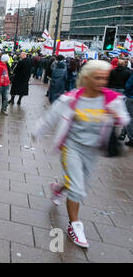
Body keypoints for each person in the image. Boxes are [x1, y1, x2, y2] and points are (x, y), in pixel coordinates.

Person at [32, 60, 130, 249]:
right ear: (86, 78)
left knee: (79, 184)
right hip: (71, 148)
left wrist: (114, 115)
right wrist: (37, 132)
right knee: (77, 189)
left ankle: (59, 189)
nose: (102, 81)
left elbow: (124, 119)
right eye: (97, 78)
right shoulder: (71, 99)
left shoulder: (111, 99)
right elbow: (51, 117)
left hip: (92, 151)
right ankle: (74, 226)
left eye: (104, 78)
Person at [121, 72, 133, 147]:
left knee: (130, 117)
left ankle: (132, 139)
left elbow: (129, 85)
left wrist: (127, 94)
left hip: (131, 97)